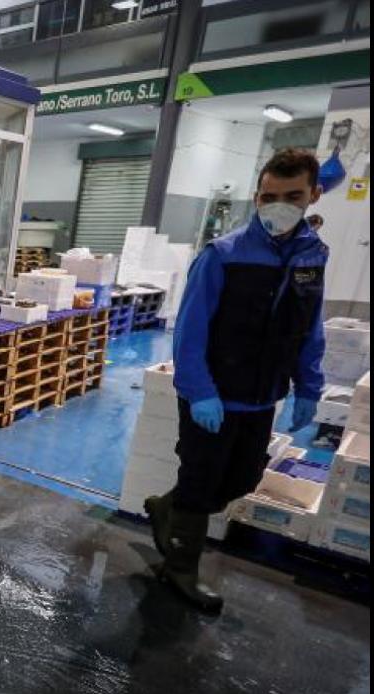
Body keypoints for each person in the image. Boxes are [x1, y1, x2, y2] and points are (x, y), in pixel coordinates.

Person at [144, 149, 327, 614]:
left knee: (243, 478)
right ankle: (180, 569)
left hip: (262, 395)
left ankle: (170, 509)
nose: (278, 206)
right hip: (214, 395)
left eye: (292, 196)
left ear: (313, 195)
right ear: (256, 195)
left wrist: (309, 386)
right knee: (202, 480)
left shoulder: (311, 257)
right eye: (268, 196)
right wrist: (200, 391)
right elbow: (190, 330)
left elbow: (310, 326)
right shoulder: (224, 255)